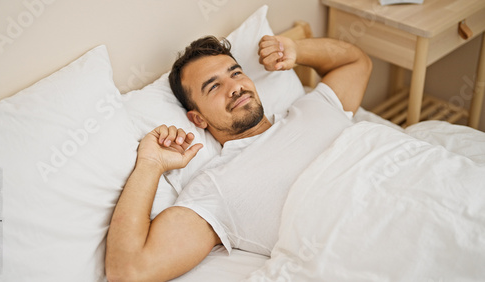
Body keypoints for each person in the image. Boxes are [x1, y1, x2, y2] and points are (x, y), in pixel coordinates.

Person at [105, 34, 372, 281]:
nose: (234, 88)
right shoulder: (217, 187)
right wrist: (150, 165)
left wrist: (297, 49)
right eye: (213, 87)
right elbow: (129, 270)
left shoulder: (313, 107)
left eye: (236, 73)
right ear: (197, 119)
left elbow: (357, 62)